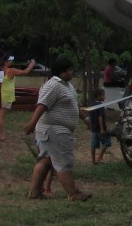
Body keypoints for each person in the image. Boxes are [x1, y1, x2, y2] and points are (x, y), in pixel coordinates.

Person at [23, 56, 91, 202]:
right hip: (54, 130)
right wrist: (32, 123)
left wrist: (85, 118)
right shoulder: (53, 85)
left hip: (57, 130)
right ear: (61, 72)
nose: (72, 72)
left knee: (46, 160)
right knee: (63, 160)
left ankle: (34, 193)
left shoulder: (67, 86)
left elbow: (74, 106)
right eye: (70, 70)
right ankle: (73, 193)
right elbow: (42, 105)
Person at [0, 56, 36, 141]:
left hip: (0, 94)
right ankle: (1, 136)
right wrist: (32, 65)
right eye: (10, 61)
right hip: (6, 95)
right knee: (1, 116)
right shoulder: (11, 71)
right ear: (6, 62)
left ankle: (0, 134)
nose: (11, 62)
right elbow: (25, 72)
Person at [87, 88, 111, 164]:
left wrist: (90, 125)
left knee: (93, 145)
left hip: (94, 129)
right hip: (100, 129)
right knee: (107, 142)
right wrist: (102, 128)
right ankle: (99, 158)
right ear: (98, 96)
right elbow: (100, 117)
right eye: (103, 95)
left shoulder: (92, 105)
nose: (104, 97)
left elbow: (90, 116)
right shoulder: (101, 106)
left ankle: (93, 160)